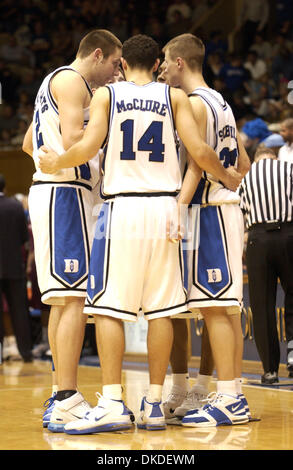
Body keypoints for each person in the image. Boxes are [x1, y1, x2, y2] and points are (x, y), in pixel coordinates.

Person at [38, 34, 243, 435]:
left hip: (123, 208)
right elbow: (200, 152)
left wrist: (57, 161)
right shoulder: (176, 99)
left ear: (124, 62)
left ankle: (113, 401)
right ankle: (153, 402)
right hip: (168, 209)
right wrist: (228, 176)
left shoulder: (107, 96)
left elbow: (87, 145)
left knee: (111, 308)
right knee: (164, 310)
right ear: (155, 63)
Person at [22, 29, 122, 433]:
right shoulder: (71, 80)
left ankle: (61, 393)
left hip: (59, 192)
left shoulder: (58, 82)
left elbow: (30, 142)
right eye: (115, 63)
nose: (117, 72)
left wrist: (50, 160)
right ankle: (66, 397)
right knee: (74, 299)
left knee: (64, 300)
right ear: (97, 55)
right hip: (64, 195)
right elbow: (73, 139)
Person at [163, 33, 251, 427]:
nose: (163, 68)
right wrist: (230, 177)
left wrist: (179, 208)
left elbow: (199, 160)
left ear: (181, 62)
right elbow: (244, 161)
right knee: (225, 308)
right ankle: (233, 392)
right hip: (224, 209)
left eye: (166, 61)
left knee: (215, 307)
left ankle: (231, 396)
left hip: (211, 210)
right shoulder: (223, 102)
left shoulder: (196, 104)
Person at [238, 147, 293, 383]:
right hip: (289, 234)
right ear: (274, 156)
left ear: (257, 158)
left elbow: (238, 213)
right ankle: (292, 361)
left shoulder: (246, 178)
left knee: (262, 307)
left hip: (257, 239)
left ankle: (270, 370)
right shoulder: (289, 169)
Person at [0, 174, 32, 363]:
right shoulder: (15, 205)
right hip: (14, 266)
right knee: (20, 311)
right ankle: (26, 352)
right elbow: (23, 237)